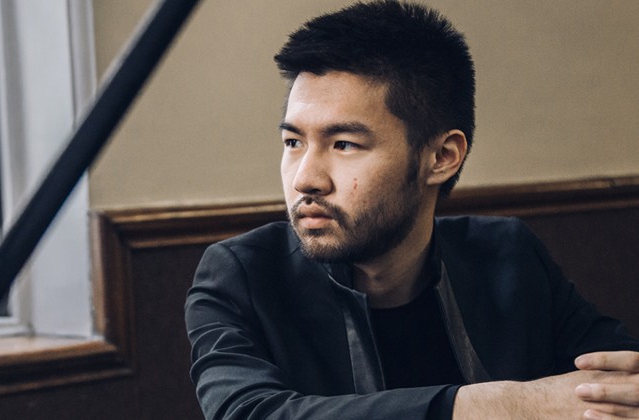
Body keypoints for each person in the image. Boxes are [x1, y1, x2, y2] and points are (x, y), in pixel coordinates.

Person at [183, 1, 639, 419]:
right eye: (293, 142)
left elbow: (620, 375)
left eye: (344, 144)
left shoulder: (506, 254)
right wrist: (501, 404)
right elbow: (247, 413)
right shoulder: (240, 275)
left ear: (441, 157)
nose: (305, 178)